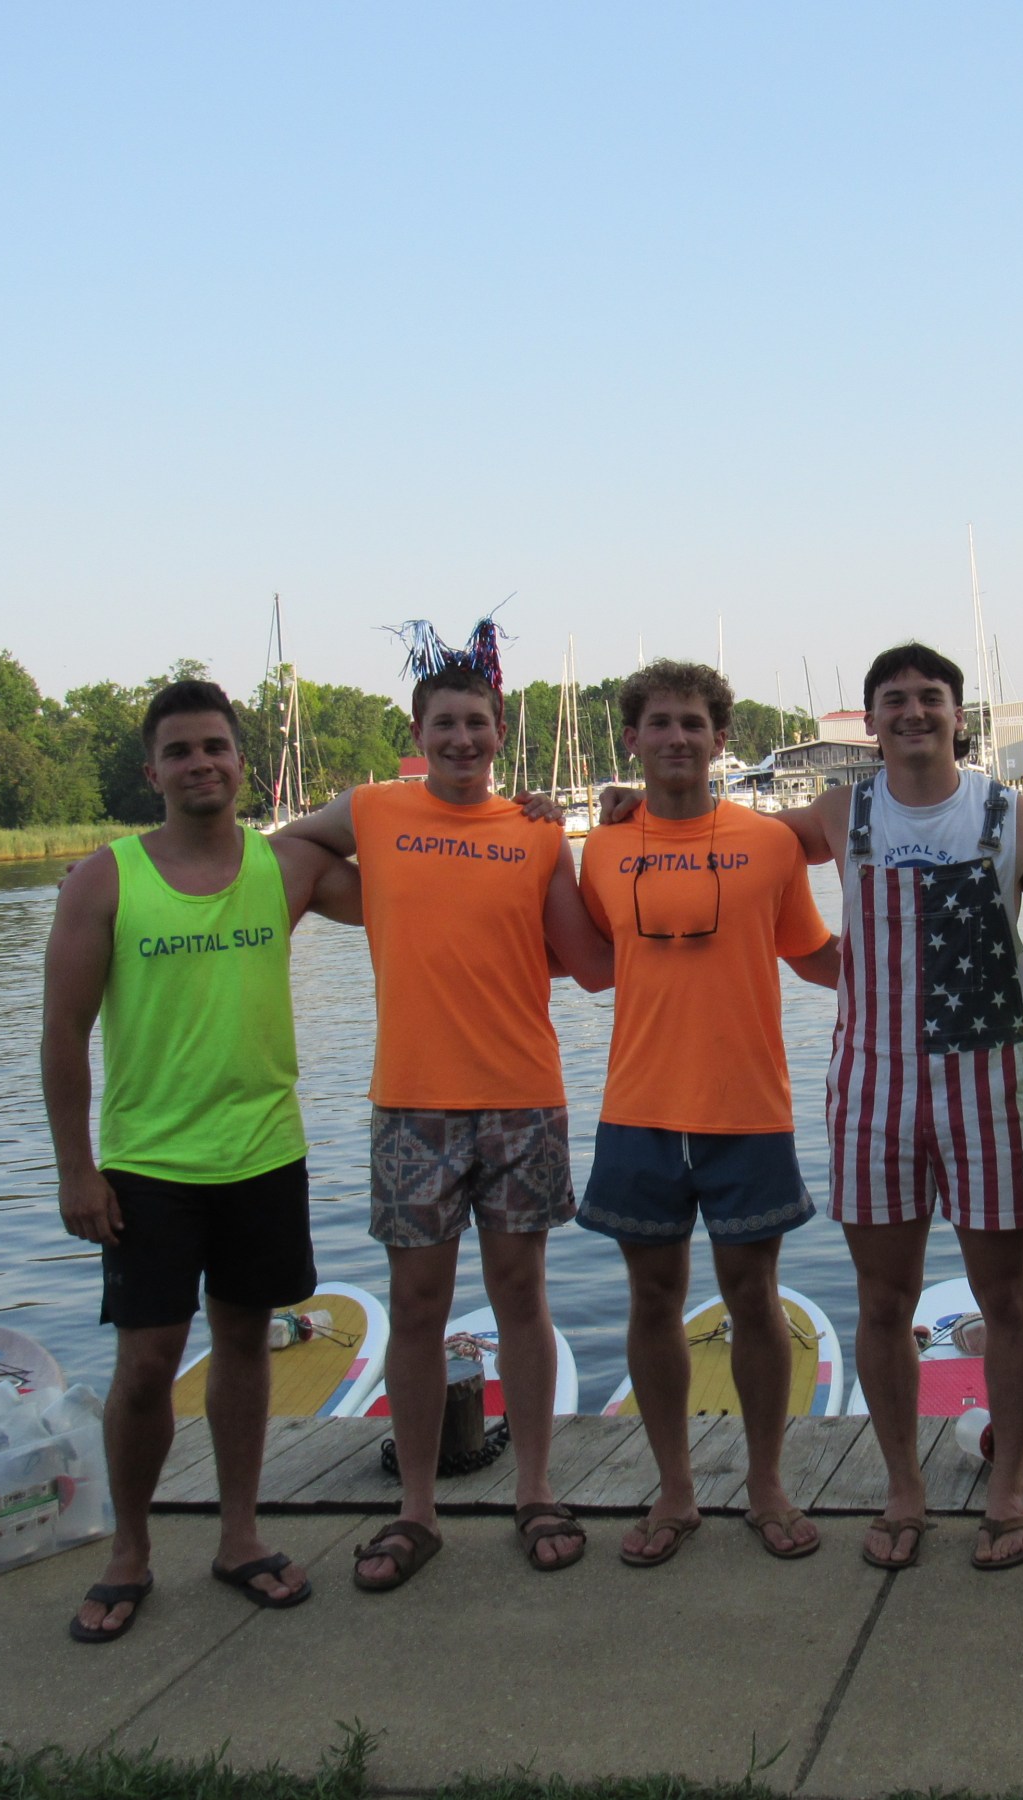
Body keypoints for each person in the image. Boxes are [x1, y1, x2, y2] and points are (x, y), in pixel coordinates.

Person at [607, 643, 1023, 1569]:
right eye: (894, 700)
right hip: (872, 1088)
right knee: (882, 1300)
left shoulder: (1008, 812)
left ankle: (1010, 1490)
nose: (913, 713)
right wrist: (633, 811)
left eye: (931, 698)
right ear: (869, 722)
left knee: (1008, 1296)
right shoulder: (839, 811)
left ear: (957, 712)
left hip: (987, 1088)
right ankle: (904, 1489)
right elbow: (722, 830)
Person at [279, 621, 615, 1588]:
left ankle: (536, 1489)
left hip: (522, 1100)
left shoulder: (539, 835)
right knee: (416, 1308)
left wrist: (640, 860)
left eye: (477, 724)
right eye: (444, 725)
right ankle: (416, 1509)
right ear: (417, 732)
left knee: (522, 1299)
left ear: (501, 732)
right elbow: (292, 849)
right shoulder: (376, 812)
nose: (461, 740)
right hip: (413, 1106)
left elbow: (591, 968)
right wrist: (358, 898)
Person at [42, 678, 363, 1644]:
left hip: (264, 1153)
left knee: (245, 1347)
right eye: (179, 752)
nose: (200, 765)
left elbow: (414, 872)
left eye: (215, 748)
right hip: (149, 1165)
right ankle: (129, 1551)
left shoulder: (285, 869)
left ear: (241, 762)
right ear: (152, 772)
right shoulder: (105, 879)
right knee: (145, 1363)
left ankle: (237, 1537)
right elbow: (62, 1036)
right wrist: (75, 1168)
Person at [573, 660, 842, 1567]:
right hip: (639, 1107)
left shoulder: (767, 842)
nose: (677, 738)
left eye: (694, 723)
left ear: (722, 739)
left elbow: (814, 958)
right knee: (653, 1302)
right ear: (634, 739)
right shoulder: (601, 847)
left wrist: (911, 953)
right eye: (659, 723)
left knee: (754, 1301)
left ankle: (767, 1483)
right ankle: (676, 1490)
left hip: (748, 1108)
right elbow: (590, 962)